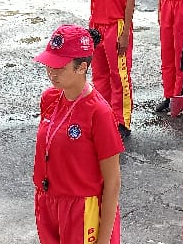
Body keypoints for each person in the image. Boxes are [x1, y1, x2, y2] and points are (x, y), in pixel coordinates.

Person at [32, 24, 123, 244]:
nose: (52, 72)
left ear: (82, 67)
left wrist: (103, 240)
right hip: (49, 203)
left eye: (60, 67)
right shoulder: (50, 99)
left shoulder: (99, 113)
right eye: (49, 64)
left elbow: (112, 183)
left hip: (81, 210)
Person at [86, 0, 136, 139]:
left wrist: (125, 31)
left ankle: (121, 120)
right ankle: (103, 116)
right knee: (99, 74)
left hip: (115, 25)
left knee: (119, 75)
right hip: (97, 24)